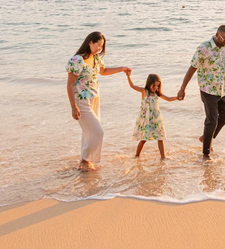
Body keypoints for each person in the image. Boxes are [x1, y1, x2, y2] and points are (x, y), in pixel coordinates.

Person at [66, 31, 131, 170]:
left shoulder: (96, 58)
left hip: (95, 99)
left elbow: (104, 71)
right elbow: (70, 84)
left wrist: (122, 69)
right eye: (98, 45)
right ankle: (85, 160)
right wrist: (73, 107)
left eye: (102, 46)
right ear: (90, 42)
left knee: (88, 132)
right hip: (81, 101)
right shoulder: (77, 60)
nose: (99, 49)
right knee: (98, 132)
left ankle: (85, 161)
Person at [177, 25, 225, 158]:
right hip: (208, 89)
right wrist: (182, 89)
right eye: (223, 38)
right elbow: (192, 68)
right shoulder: (204, 48)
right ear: (217, 35)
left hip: (223, 89)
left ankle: (206, 137)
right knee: (212, 120)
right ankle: (206, 154)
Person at [126, 72, 178, 159]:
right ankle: (137, 155)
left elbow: (168, 99)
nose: (156, 88)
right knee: (144, 139)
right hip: (146, 118)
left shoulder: (157, 94)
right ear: (149, 83)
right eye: (154, 85)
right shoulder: (144, 91)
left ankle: (163, 156)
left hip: (156, 118)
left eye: (158, 86)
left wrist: (177, 97)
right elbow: (132, 86)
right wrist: (128, 76)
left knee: (160, 137)